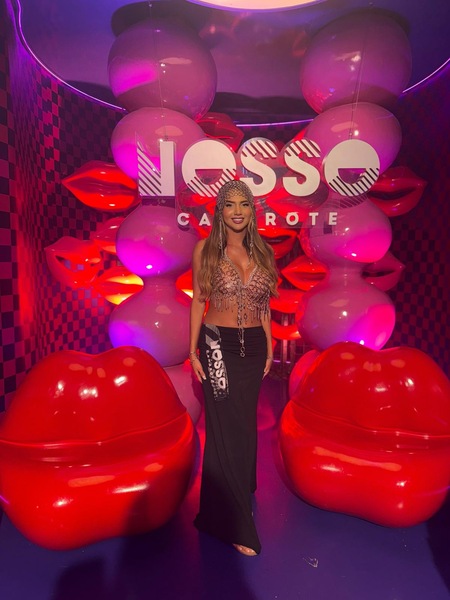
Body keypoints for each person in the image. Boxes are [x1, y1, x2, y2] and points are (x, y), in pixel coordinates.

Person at [189, 179, 278, 556]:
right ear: (220, 211)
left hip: (254, 348)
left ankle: (234, 493)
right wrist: (192, 349)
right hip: (215, 345)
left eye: (244, 204)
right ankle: (235, 523)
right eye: (230, 204)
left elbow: (265, 306)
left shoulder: (264, 252)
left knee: (243, 424)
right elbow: (199, 300)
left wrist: (270, 346)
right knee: (227, 427)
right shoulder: (205, 250)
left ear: (252, 211)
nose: (237, 211)